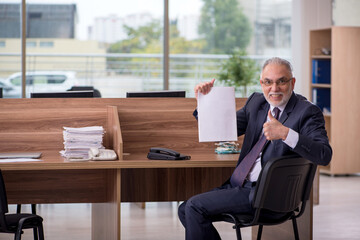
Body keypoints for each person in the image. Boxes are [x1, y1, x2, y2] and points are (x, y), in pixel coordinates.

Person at [178, 57, 332, 240]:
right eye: (268, 82)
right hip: (241, 187)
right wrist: (205, 101)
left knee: (194, 207)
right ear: (261, 83)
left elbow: (324, 155)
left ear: (292, 82)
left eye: (281, 81)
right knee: (185, 209)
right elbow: (224, 129)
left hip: (269, 196)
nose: (274, 89)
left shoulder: (307, 112)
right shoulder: (256, 102)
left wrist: (285, 133)